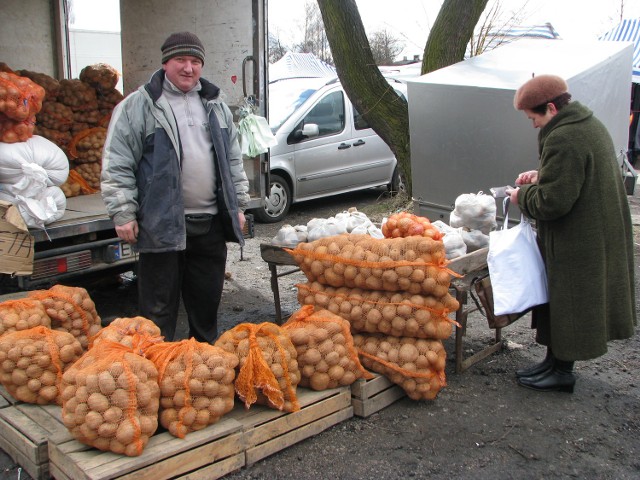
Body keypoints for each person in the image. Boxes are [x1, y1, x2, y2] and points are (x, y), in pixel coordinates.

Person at [101, 31, 250, 343]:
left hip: (209, 225)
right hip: (161, 225)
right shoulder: (139, 106)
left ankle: (202, 372)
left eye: (195, 61)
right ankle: (157, 372)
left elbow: (233, 161)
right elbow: (118, 162)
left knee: (206, 305)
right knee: (158, 311)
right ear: (166, 62)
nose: (189, 68)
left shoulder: (215, 105)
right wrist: (123, 212)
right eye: (181, 59)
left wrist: (238, 207)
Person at [507, 74, 637, 393]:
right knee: (560, 301)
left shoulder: (564, 137)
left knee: (570, 302)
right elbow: (579, 172)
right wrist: (543, 174)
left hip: (579, 238)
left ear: (551, 108)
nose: (534, 125)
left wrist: (519, 196)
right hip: (593, 230)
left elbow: (553, 201)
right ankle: (553, 363)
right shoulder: (587, 124)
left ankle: (562, 372)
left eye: (534, 118)